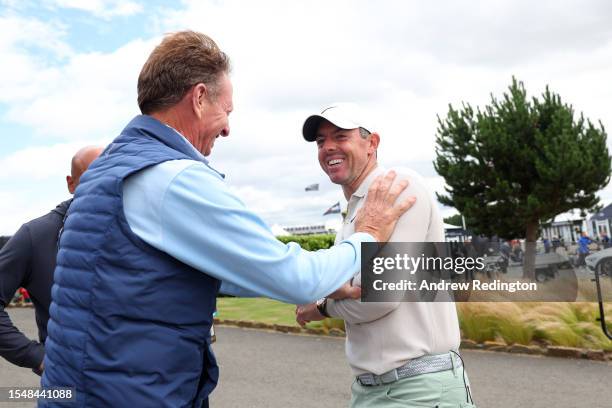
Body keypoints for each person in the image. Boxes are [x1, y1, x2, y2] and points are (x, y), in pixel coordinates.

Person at [41, 31, 416, 408]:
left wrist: (325, 296)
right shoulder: (172, 178)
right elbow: (301, 279)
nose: (227, 128)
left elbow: (145, 277)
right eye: (228, 111)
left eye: (340, 136)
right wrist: (366, 235)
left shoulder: (107, 171)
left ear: (373, 143)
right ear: (200, 97)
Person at [296, 103, 475, 407]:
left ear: (372, 144)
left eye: (340, 136)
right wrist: (334, 290)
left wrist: (322, 306)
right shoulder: (357, 209)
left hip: (419, 389)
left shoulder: (397, 188)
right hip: (374, 388)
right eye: (321, 141)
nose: (328, 148)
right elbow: (346, 287)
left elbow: (377, 298)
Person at [0, 146, 102, 375]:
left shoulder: (138, 231)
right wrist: (37, 357)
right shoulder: (36, 236)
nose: (103, 187)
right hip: (68, 387)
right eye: (93, 178)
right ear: (71, 183)